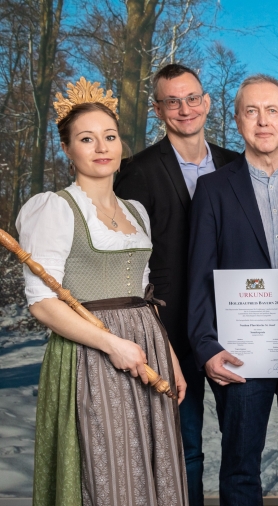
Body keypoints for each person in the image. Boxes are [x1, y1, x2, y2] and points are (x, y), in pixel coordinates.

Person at [20, 78, 188, 505]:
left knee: (152, 467)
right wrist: (111, 344)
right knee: (106, 470)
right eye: (86, 138)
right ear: (67, 149)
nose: (101, 147)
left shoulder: (137, 211)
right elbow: (42, 303)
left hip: (146, 348)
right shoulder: (55, 208)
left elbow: (143, 295)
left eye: (109, 136)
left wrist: (169, 358)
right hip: (89, 356)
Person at [187, 74, 278, 505]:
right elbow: (200, 274)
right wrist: (205, 345)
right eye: (251, 111)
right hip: (241, 347)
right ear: (237, 120)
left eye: (272, 111)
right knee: (240, 466)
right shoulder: (212, 189)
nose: (262, 121)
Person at [115, 62, 240, 506]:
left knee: (240, 444)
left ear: (207, 103)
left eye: (191, 98)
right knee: (184, 447)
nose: (184, 109)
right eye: (172, 101)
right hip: (169, 330)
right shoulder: (137, 171)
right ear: (158, 109)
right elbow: (133, 261)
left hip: (233, 324)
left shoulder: (234, 163)